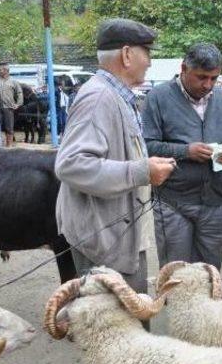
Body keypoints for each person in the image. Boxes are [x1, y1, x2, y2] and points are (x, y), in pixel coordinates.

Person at [55, 18, 176, 330]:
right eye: (146, 52)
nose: (149, 61)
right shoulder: (98, 98)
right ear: (126, 55)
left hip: (115, 238)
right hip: (104, 244)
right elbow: (70, 165)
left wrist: (145, 165)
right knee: (119, 338)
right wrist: (141, 170)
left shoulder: (115, 95)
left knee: (130, 335)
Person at [142, 43, 222, 270]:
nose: (208, 85)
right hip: (173, 202)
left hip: (214, 202)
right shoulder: (158, 98)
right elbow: (146, 146)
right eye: (201, 77)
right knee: (176, 273)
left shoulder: (221, 98)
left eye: (213, 78)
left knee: (210, 273)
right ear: (183, 68)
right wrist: (185, 151)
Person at [0, 62, 23, 147]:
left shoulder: (14, 81)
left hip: (9, 108)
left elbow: (19, 93)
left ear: (6, 70)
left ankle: (9, 146)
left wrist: (18, 104)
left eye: (0, 69)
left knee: (9, 127)